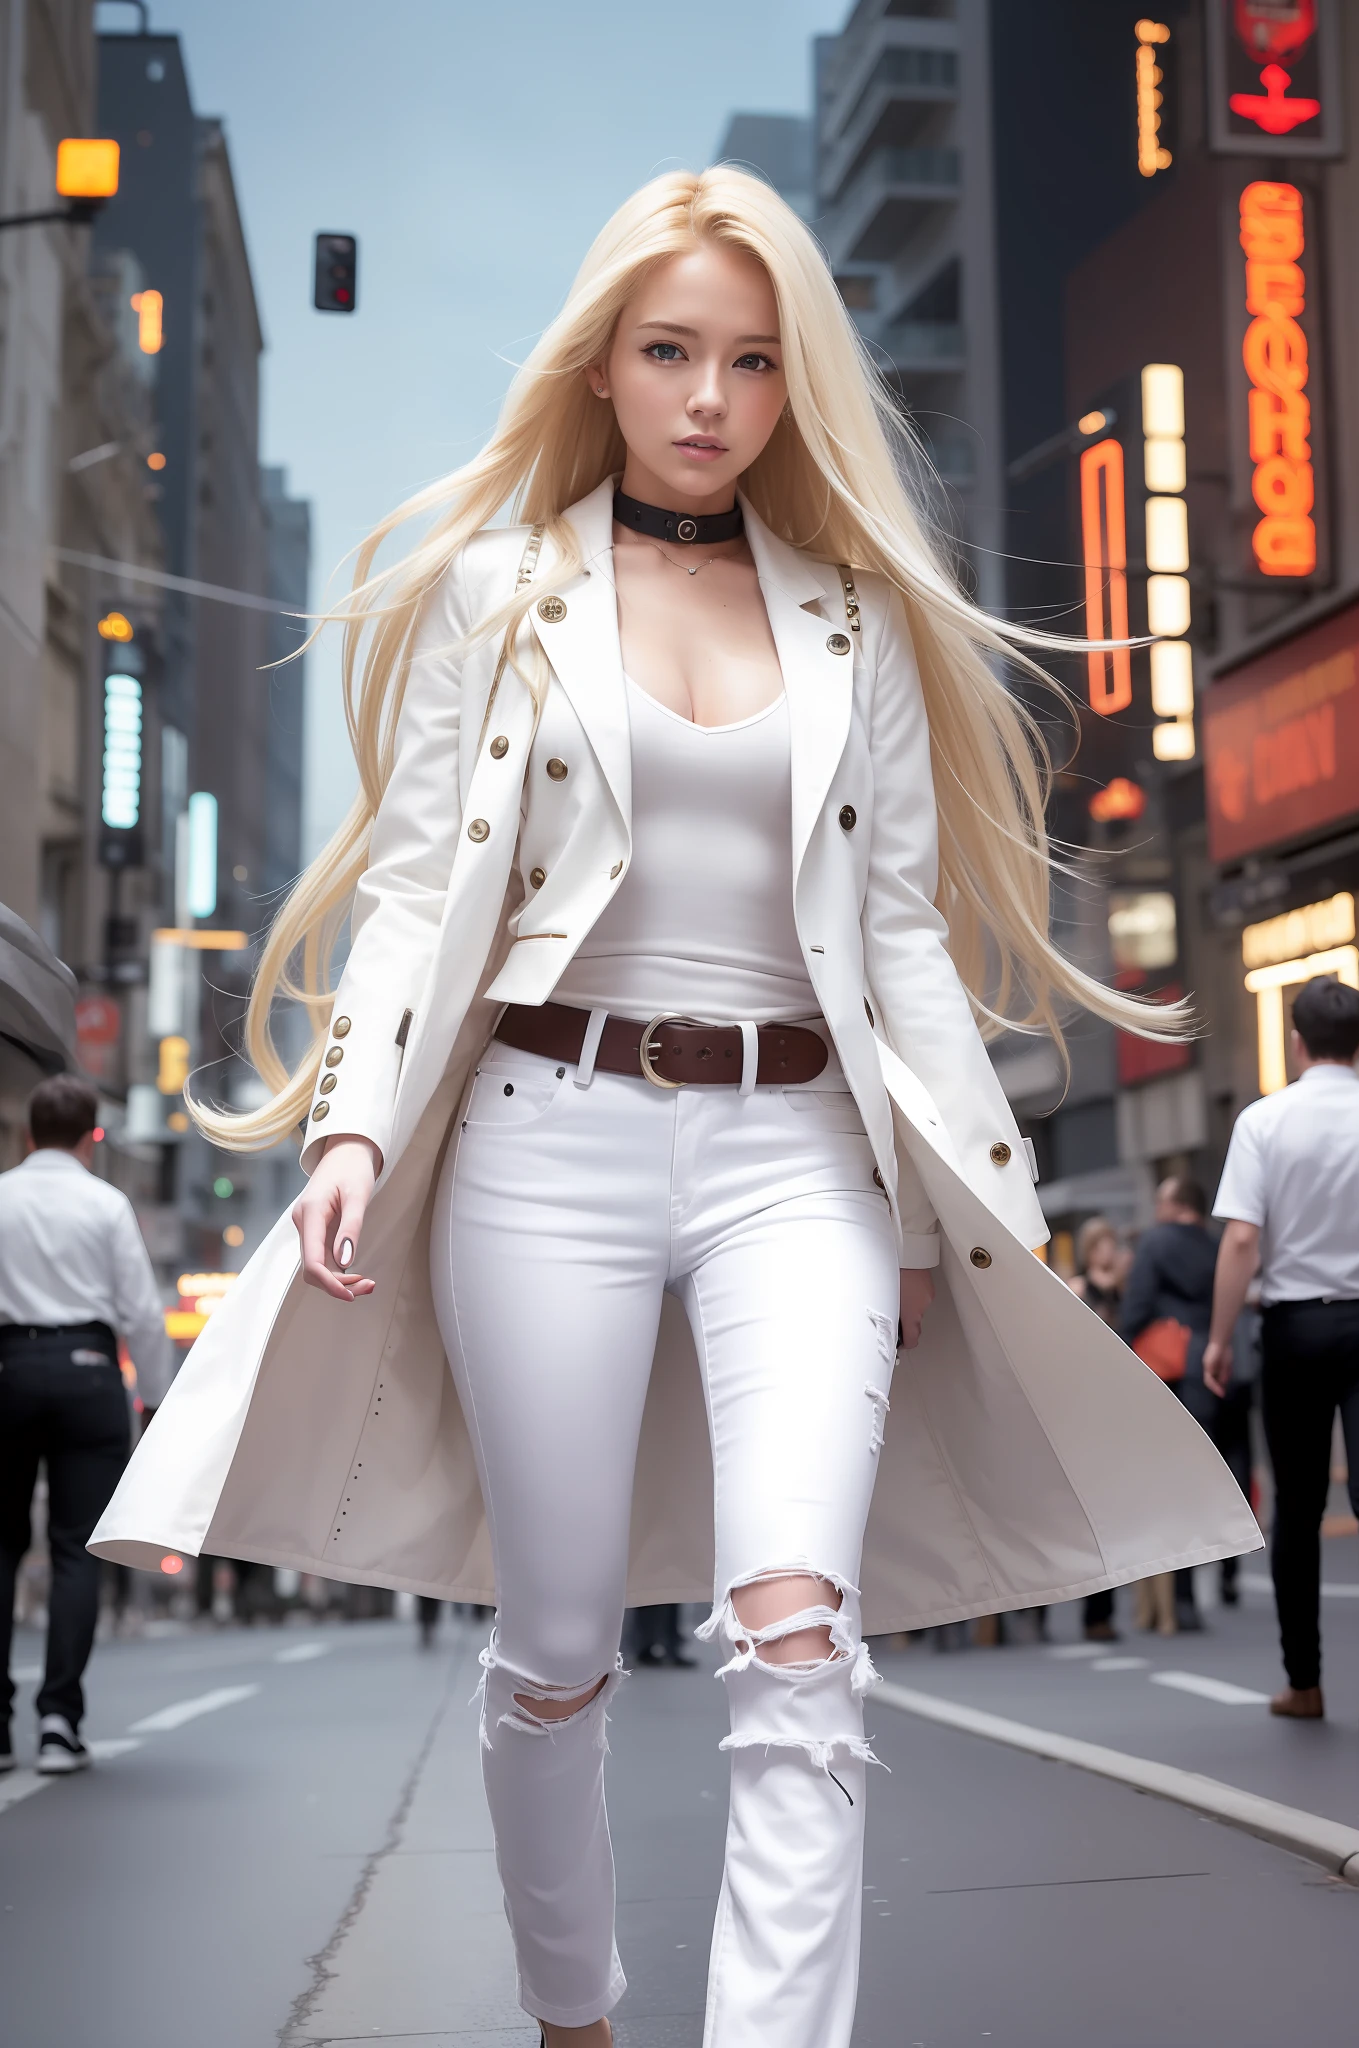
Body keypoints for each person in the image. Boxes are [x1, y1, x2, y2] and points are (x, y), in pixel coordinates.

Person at [93, 170, 1257, 2048]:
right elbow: (411, 895)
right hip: (542, 1139)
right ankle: (578, 2012)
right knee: (557, 1651)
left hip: (801, 1153)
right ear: (606, 365)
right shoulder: (503, 586)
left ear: (796, 386)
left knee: (797, 1634)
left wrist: (965, 1203)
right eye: (670, 353)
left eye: (752, 361)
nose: (710, 397)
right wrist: (349, 1125)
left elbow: (894, 945)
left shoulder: (858, 619)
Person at [1205, 976, 1359, 1733]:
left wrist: (1221, 1338)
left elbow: (1239, 1239)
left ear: (1294, 1041)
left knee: (1296, 1505)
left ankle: (1306, 1682)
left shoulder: (1264, 1121)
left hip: (1293, 1330)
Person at [0, 1075, 170, 1776]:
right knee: (76, 1550)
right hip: (90, 1375)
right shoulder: (106, 1205)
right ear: (92, 1139)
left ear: (30, 1134)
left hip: (7, 1372)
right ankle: (58, 1722)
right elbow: (143, 1313)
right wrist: (156, 1403)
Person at [1121, 1177, 1223, 1631]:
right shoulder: (1218, 1244)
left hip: (1168, 1374)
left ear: (1173, 1204)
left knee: (1170, 1484)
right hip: (1216, 1367)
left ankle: (1175, 1598)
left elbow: (1138, 1304)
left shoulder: (1156, 1243)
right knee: (1214, 1475)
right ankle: (1225, 1576)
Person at [1071, 1218, 1126, 1640]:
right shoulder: (1076, 1289)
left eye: (1110, 1244)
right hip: (1085, 1406)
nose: (1106, 1252)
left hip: (1117, 1404)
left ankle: (1107, 1611)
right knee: (1090, 1515)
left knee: (1115, 1513)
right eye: (1099, 1245)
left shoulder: (1127, 1293)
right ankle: (1093, 1613)